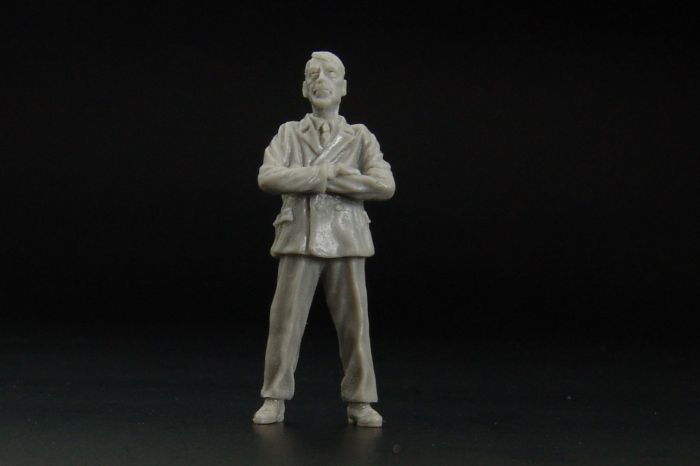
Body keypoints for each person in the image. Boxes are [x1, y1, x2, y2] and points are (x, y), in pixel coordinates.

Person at [253, 51, 395, 427]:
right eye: (313, 74)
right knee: (285, 323)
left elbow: (384, 185)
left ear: (343, 86)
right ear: (304, 87)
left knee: (355, 326)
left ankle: (360, 400)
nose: (321, 80)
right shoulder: (288, 133)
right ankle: (274, 397)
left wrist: (331, 177)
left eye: (330, 73)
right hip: (298, 236)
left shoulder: (360, 136)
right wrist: (323, 175)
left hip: (347, 237)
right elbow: (268, 177)